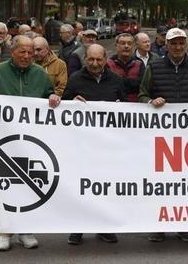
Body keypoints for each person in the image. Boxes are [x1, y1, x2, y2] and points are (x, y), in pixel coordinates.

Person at [0, 35, 60, 252]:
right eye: (23, 52)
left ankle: (26, 230)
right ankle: (4, 232)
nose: (28, 56)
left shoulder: (40, 74)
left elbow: (49, 96)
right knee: (5, 185)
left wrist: (54, 99)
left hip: (32, 141)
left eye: (31, 52)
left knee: (30, 187)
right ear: (13, 52)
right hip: (4, 141)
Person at [139, 27, 188, 243]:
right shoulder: (154, 67)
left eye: (181, 43)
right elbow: (142, 95)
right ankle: (158, 227)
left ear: (185, 45)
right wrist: (151, 102)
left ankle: (183, 226)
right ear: (166, 45)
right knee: (161, 185)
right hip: (161, 137)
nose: (178, 47)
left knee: (184, 185)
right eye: (174, 43)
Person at [61, 44, 123, 246]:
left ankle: (104, 228)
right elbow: (63, 106)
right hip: (82, 145)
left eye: (99, 59)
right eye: (91, 60)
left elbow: (128, 107)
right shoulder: (76, 79)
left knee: (105, 188)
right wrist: (71, 101)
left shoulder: (115, 80)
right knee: (82, 187)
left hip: (108, 145)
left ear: (105, 59)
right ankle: (78, 228)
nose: (95, 64)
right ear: (85, 59)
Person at [107, 33, 144, 102]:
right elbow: (109, 86)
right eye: (123, 43)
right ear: (116, 45)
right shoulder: (108, 64)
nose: (126, 46)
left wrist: (120, 81)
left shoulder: (139, 63)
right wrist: (132, 83)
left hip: (136, 106)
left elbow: (141, 86)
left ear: (133, 46)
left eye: (129, 43)